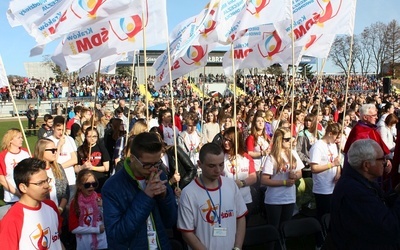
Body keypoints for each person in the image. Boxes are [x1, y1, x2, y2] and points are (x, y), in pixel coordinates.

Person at [102, 132, 177, 249]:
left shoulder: (160, 176)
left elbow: (170, 221)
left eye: (157, 163)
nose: (153, 169)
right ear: (133, 158)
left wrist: (165, 196)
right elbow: (116, 235)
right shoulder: (113, 186)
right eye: (147, 165)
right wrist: (146, 197)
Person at [330, 139, 400, 249]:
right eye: (382, 159)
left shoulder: (360, 180)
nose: (385, 162)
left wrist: (395, 192)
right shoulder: (354, 192)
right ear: (366, 165)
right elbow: (390, 227)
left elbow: (380, 205)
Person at [177, 143, 247, 250]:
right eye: (212, 166)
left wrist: (237, 247)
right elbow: (187, 233)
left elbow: (241, 217)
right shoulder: (188, 193)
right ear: (199, 164)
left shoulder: (231, 185)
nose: (218, 170)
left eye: (221, 164)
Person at [0, 158, 63, 249]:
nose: (47, 186)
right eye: (40, 183)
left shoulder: (51, 206)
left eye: (47, 180)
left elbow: (56, 241)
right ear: (23, 187)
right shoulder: (12, 220)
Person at [261, 127, 304, 228]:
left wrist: (295, 176)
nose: (290, 141)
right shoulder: (272, 157)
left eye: (291, 138)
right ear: (279, 140)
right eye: (287, 139)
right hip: (275, 199)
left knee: (285, 227)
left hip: (289, 197)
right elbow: (264, 179)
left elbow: (300, 173)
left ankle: (283, 244)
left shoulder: (293, 153)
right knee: (274, 228)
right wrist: (284, 182)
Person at [309, 123, 341, 220]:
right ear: (330, 133)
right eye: (336, 136)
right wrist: (332, 165)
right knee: (323, 215)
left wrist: (338, 173)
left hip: (333, 185)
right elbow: (314, 168)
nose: (337, 139)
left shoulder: (333, 145)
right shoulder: (317, 146)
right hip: (322, 187)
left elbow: (337, 161)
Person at [69, 169, 107, 250]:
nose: (91, 187)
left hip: (102, 243)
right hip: (84, 245)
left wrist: (102, 207)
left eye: (94, 184)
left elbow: (108, 220)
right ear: (79, 186)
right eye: (87, 185)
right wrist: (96, 230)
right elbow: (73, 228)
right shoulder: (75, 203)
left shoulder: (100, 198)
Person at [34, 138, 69, 214]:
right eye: (52, 150)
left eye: (56, 149)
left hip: (60, 213)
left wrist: (60, 209)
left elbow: (66, 191)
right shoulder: (34, 171)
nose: (55, 152)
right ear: (42, 151)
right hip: (42, 214)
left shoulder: (58, 168)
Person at [0, 128, 30, 205]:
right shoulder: (3, 156)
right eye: (18, 138)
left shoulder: (26, 152)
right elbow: (2, 180)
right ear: (10, 140)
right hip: (12, 198)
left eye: (22, 137)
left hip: (29, 196)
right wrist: (19, 194)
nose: (22, 140)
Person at [77, 127, 110, 192]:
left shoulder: (101, 148)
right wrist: (82, 167)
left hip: (99, 180)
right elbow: (76, 167)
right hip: (85, 182)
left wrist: (92, 167)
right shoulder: (80, 149)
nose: (92, 139)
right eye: (89, 136)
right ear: (85, 137)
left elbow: (106, 168)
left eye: (94, 136)